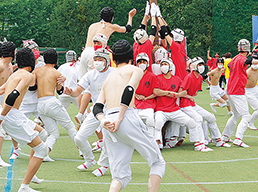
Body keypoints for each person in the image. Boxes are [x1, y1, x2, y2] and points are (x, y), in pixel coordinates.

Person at [93, 39, 165, 192]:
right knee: (157, 162)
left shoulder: (109, 77)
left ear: (114, 58)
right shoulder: (135, 69)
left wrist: (103, 120)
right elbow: (129, 90)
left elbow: (97, 106)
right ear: (131, 56)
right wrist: (119, 118)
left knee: (120, 176)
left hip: (108, 121)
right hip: (125, 116)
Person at [0, 47, 48, 192]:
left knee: (43, 133)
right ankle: (25, 186)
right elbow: (12, 96)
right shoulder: (28, 75)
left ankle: (31, 174)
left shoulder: (14, 75)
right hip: (12, 116)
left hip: (13, 114)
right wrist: (0, 118)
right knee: (41, 150)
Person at [64, 48, 114, 176]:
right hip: (96, 110)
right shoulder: (90, 75)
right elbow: (77, 91)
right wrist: (71, 92)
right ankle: (89, 160)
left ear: (107, 61)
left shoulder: (114, 73)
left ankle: (104, 165)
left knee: (108, 139)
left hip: (112, 111)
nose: (97, 62)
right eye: (95, 60)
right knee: (79, 138)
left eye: (100, 60)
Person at [153, 58, 211, 151]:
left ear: (170, 66)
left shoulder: (177, 79)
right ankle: (157, 144)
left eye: (165, 64)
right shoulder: (157, 78)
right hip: (161, 110)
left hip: (174, 110)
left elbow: (183, 91)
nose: (163, 66)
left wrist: (178, 95)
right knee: (158, 123)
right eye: (162, 65)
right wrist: (168, 93)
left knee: (191, 122)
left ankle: (197, 144)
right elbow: (155, 91)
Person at [34, 49, 77, 160]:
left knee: (53, 133)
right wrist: (63, 81)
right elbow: (59, 91)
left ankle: (44, 154)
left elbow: (32, 86)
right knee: (70, 127)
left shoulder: (37, 71)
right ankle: (84, 152)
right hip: (51, 101)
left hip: (40, 104)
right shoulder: (56, 73)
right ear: (56, 59)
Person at [178, 57, 230, 148]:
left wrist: (192, 94)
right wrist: (188, 96)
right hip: (185, 105)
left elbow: (195, 92)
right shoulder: (189, 77)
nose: (201, 67)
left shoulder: (200, 77)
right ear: (194, 66)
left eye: (202, 65)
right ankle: (200, 144)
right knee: (198, 119)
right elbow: (180, 92)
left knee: (211, 117)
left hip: (192, 104)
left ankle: (218, 140)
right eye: (199, 65)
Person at [79, 7, 135, 78]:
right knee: (93, 78)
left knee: (82, 79)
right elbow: (128, 29)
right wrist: (130, 16)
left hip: (85, 52)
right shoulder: (111, 26)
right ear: (111, 18)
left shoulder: (92, 25)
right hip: (96, 53)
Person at [221, 39, 252, 147]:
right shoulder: (242, 59)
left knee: (236, 115)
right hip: (238, 91)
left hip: (230, 90)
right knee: (246, 116)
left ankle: (225, 136)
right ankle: (238, 138)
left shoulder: (234, 58)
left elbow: (231, 67)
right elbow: (246, 62)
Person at [134, 53, 157, 136]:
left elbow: (156, 92)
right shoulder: (134, 75)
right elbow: (129, 89)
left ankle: (151, 140)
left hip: (149, 102)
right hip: (136, 102)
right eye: (140, 62)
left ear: (147, 63)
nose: (142, 64)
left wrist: (146, 98)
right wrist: (136, 96)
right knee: (133, 121)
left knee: (150, 120)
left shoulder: (152, 76)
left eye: (144, 62)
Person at [245, 51, 258, 130]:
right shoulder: (248, 72)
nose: (256, 65)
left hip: (255, 89)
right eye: (254, 64)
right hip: (248, 91)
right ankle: (251, 124)